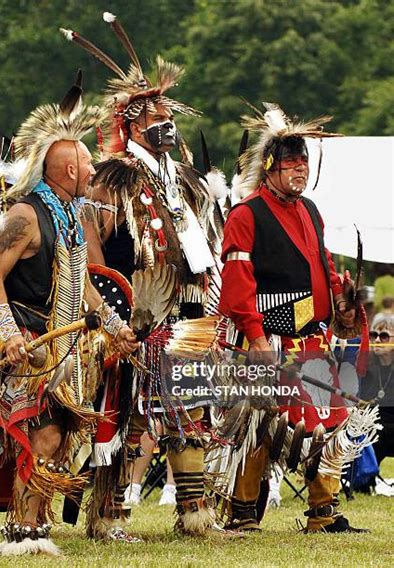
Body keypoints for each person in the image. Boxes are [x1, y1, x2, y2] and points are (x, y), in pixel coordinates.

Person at [62, 13, 229, 539]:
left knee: (190, 408)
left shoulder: (181, 176)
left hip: (185, 306)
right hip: (133, 309)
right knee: (128, 410)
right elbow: (89, 240)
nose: (165, 122)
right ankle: (108, 518)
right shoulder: (113, 177)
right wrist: (106, 304)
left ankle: (195, 515)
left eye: (166, 113)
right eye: (152, 115)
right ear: (130, 124)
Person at [0, 77, 138, 556]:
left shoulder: (69, 216)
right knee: (39, 434)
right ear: (67, 169)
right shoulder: (26, 214)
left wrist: (116, 327)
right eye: (86, 164)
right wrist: (8, 333)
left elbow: (82, 287)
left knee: (57, 435)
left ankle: (37, 524)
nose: (93, 169)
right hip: (29, 338)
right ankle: (21, 529)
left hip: (64, 344)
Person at [219, 103, 377, 533]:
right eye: (290, 164)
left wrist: (340, 300)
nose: (299, 171)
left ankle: (323, 513)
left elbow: (322, 267)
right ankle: (243, 513)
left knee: (328, 420)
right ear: (269, 168)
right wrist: (254, 337)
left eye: (303, 163)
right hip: (267, 335)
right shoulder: (246, 214)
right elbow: (237, 284)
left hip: (311, 336)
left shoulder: (309, 211)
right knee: (264, 421)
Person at [359, 317, 394, 469]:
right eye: (374, 335)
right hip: (373, 428)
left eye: (384, 336)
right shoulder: (365, 367)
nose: (377, 340)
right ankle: (364, 478)